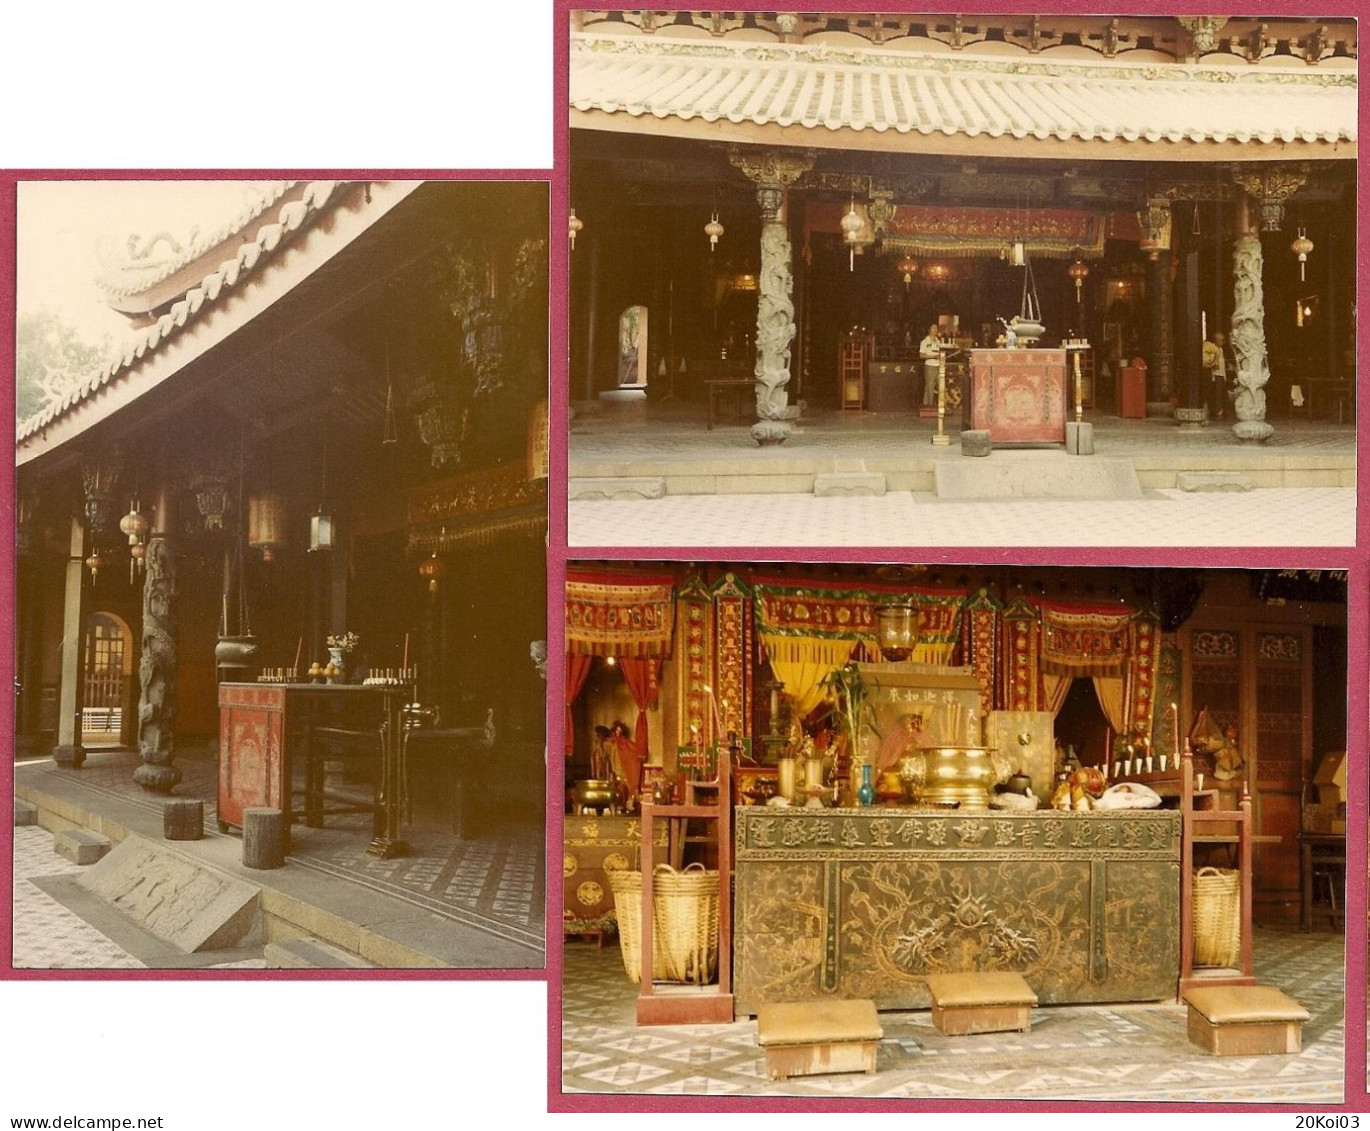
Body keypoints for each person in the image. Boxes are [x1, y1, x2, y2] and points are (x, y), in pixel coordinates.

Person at [1202, 330, 1228, 421]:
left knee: (1221, 394)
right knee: (1216, 395)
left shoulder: (1220, 349)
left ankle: (1219, 412)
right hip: (1216, 375)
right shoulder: (1212, 349)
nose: (1222, 342)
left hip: (1221, 375)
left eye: (1223, 340)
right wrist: (1213, 364)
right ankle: (1216, 412)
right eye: (1220, 340)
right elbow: (1210, 362)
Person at [919, 323, 943, 407]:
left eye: (936, 328)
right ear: (929, 330)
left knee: (941, 385)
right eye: (933, 328)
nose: (935, 330)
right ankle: (930, 406)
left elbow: (940, 353)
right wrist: (933, 356)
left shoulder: (938, 341)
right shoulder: (924, 342)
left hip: (939, 366)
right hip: (930, 366)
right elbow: (921, 355)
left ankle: (934, 405)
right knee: (930, 386)